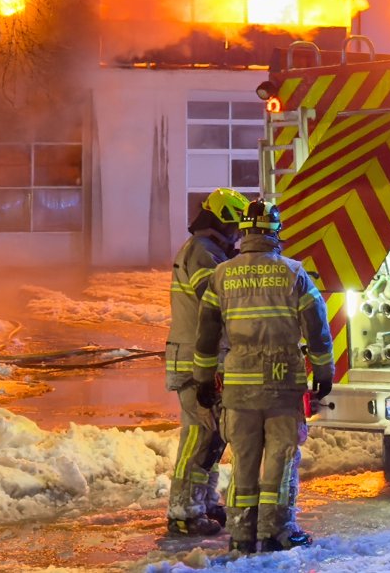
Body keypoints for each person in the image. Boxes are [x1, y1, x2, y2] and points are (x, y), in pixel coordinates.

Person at [193, 199, 332, 554]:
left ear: (243, 232)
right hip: (283, 385)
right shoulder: (293, 272)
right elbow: (317, 328)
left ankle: (241, 534)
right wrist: (324, 372)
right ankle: (276, 532)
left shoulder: (221, 274)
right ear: (276, 233)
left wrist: (204, 379)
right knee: (280, 459)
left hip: (239, 388)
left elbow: (207, 334)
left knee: (244, 458)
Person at [164, 187, 249, 536]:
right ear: (223, 221)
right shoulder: (203, 252)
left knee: (212, 436)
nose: (239, 234)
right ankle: (183, 510)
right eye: (237, 227)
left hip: (204, 359)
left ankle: (204, 500)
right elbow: (216, 303)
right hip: (193, 361)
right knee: (200, 435)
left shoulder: (211, 250)